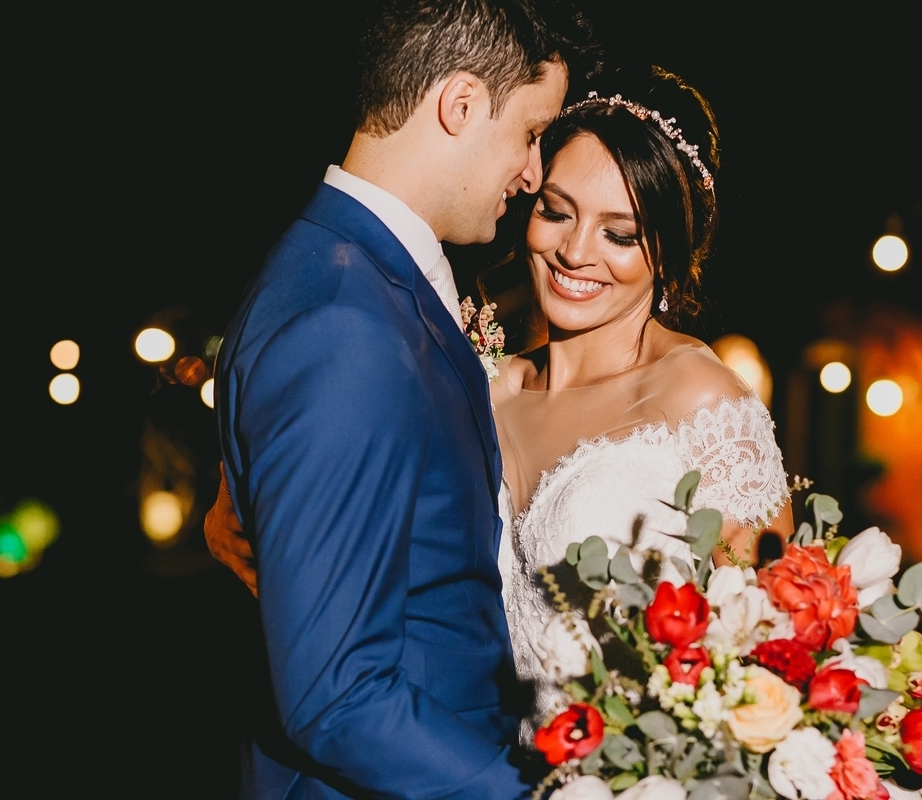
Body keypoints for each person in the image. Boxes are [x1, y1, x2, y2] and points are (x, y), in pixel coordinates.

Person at [209, 67, 794, 744]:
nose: (575, 251)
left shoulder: (699, 397)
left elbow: (778, 649)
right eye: (557, 211)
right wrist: (235, 498)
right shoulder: (481, 385)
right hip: (470, 768)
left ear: (666, 252)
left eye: (620, 233)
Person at [210, 2, 592, 798]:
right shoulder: (344, 325)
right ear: (458, 104)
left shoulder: (352, 275)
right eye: (529, 132)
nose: (532, 172)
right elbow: (336, 697)